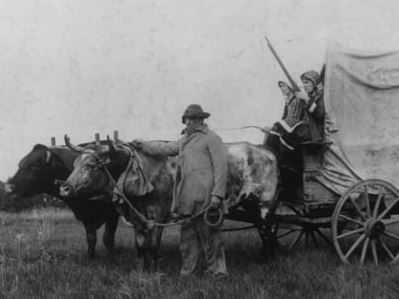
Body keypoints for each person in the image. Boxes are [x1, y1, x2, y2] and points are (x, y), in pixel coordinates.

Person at [132, 104, 228, 278]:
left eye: (190, 120)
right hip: (186, 200)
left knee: (211, 239)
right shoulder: (184, 140)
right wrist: (143, 145)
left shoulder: (212, 138)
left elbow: (221, 168)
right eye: (186, 120)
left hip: (207, 199)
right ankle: (187, 273)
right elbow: (165, 148)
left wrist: (217, 195)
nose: (187, 123)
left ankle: (218, 273)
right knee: (187, 240)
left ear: (200, 120)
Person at [264, 81, 309, 163]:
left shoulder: (298, 97)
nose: (282, 88)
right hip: (288, 124)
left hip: (298, 125)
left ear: (289, 86)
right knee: (272, 130)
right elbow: (284, 117)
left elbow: (306, 110)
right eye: (280, 86)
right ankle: (267, 152)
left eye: (284, 86)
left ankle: (270, 155)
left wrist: (304, 98)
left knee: (276, 127)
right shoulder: (287, 100)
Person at [298, 70, 325, 142]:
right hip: (308, 130)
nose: (304, 85)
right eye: (303, 83)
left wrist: (307, 100)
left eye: (307, 82)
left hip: (317, 133)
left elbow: (319, 114)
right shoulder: (310, 97)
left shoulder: (321, 97)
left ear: (314, 83)